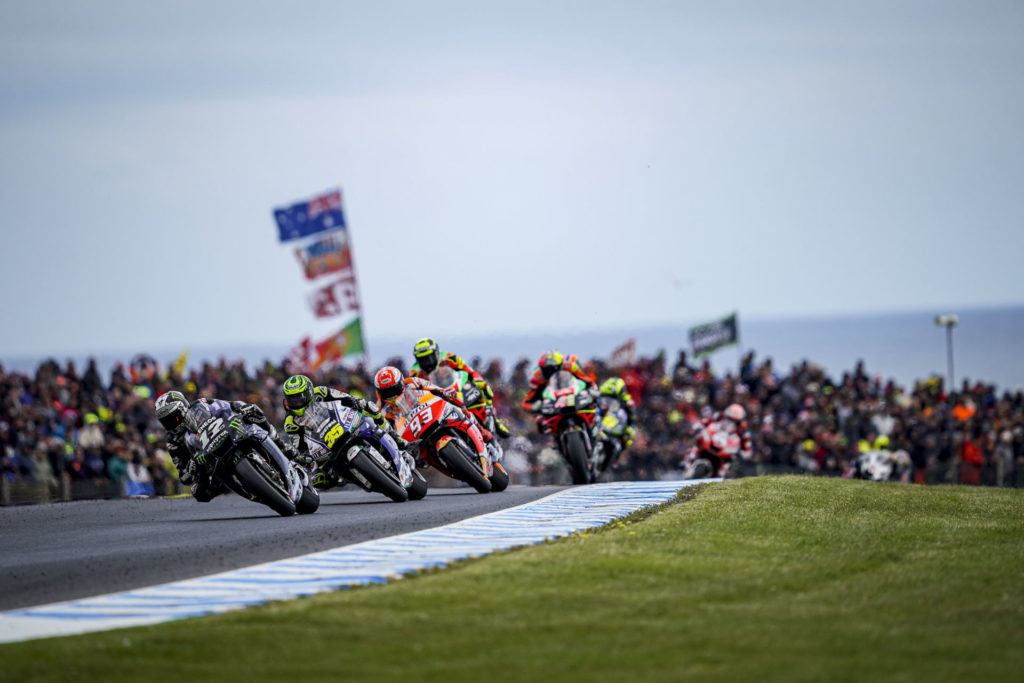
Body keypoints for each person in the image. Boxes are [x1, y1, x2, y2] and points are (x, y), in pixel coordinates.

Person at [153, 390, 293, 502]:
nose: (171, 424)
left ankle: (280, 444)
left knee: (253, 411)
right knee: (199, 493)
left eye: (174, 418)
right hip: (206, 459)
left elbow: (229, 406)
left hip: (229, 433)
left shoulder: (201, 405)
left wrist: (241, 410)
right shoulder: (173, 441)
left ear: (183, 408)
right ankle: (231, 486)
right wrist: (190, 469)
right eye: (166, 421)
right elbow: (183, 475)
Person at [280, 374, 409, 487]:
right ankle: (342, 478)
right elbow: (300, 446)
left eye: (299, 397)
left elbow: (344, 397)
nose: (296, 402)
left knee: (371, 411)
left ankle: (394, 437)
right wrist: (305, 457)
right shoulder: (290, 422)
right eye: (292, 399)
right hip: (322, 445)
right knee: (318, 479)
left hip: (341, 424)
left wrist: (358, 403)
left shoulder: (321, 392)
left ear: (309, 392)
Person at [373, 366, 493, 452]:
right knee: (416, 456)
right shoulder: (381, 406)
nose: (392, 395)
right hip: (411, 429)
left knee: (454, 399)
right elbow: (385, 427)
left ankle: (480, 430)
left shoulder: (411, 382)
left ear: (401, 382)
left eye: (394, 389)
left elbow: (430, 387)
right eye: (386, 392)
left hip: (426, 410)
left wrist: (444, 393)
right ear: (380, 392)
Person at [409, 338, 510, 438]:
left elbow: (469, 371)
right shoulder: (415, 371)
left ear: (436, 353)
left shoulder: (448, 358)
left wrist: (478, 380)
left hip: (456, 388)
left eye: (429, 358)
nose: (427, 363)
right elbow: (412, 392)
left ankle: (494, 419)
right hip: (438, 397)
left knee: (484, 388)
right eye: (422, 360)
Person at [521, 350, 598, 413]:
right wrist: (534, 406)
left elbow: (587, 380)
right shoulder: (537, 377)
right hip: (551, 404)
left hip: (573, 395)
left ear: (560, 366)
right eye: (546, 369)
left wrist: (593, 390)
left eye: (553, 369)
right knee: (539, 419)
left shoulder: (571, 366)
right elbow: (526, 402)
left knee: (596, 402)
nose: (549, 372)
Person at [598, 376, 637, 448]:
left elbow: (631, 411)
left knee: (627, 439)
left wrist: (630, 427)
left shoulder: (625, 400)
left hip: (616, 424)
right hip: (601, 421)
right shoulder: (601, 392)